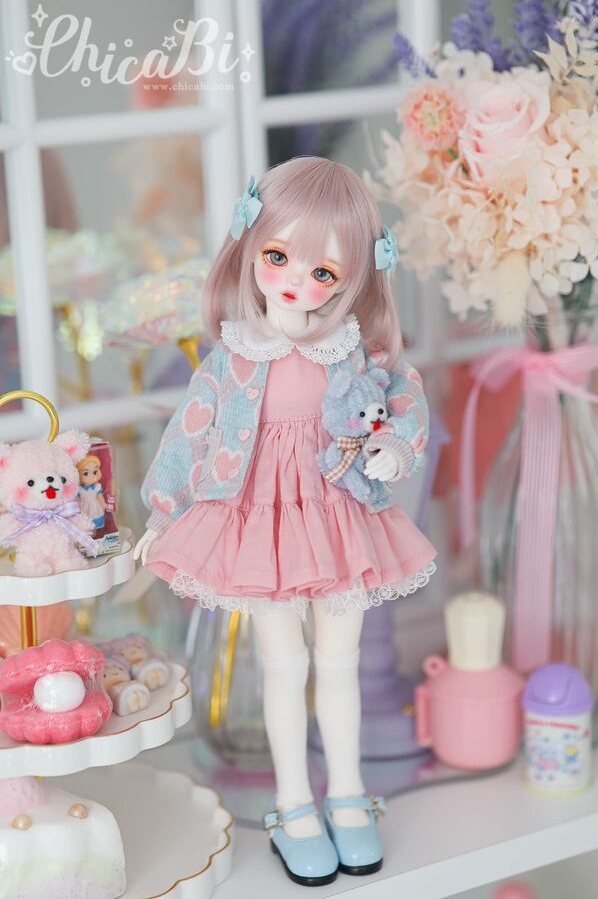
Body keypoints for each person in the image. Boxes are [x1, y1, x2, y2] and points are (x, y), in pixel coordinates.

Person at [134, 157, 436, 887]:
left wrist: (395, 447)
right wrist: (162, 510)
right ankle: (294, 805)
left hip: (336, 514)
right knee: (283, 666)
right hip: (257, 523)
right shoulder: (233, 356)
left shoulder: (351, 351)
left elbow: (404, 395)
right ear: (249, 246)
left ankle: (349, 797)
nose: (298, 281)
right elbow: (188, 433)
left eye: (324, 271)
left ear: (355, 276)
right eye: (278, 256)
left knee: (340, 663)